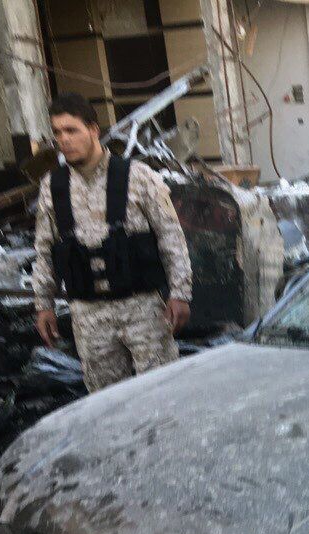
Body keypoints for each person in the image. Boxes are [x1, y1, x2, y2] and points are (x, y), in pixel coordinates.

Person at [31, 92, 191, 394]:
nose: (63, 140)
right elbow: (44, 249)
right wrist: (43, 304)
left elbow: (170, 235)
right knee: (107, 402)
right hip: (89, 316)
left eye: (71, 130)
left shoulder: (137, 177)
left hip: (142, 308)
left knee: (164, 393)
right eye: (57, 133)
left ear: (93, 129)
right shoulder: (53, 187)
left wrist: (180, 292)